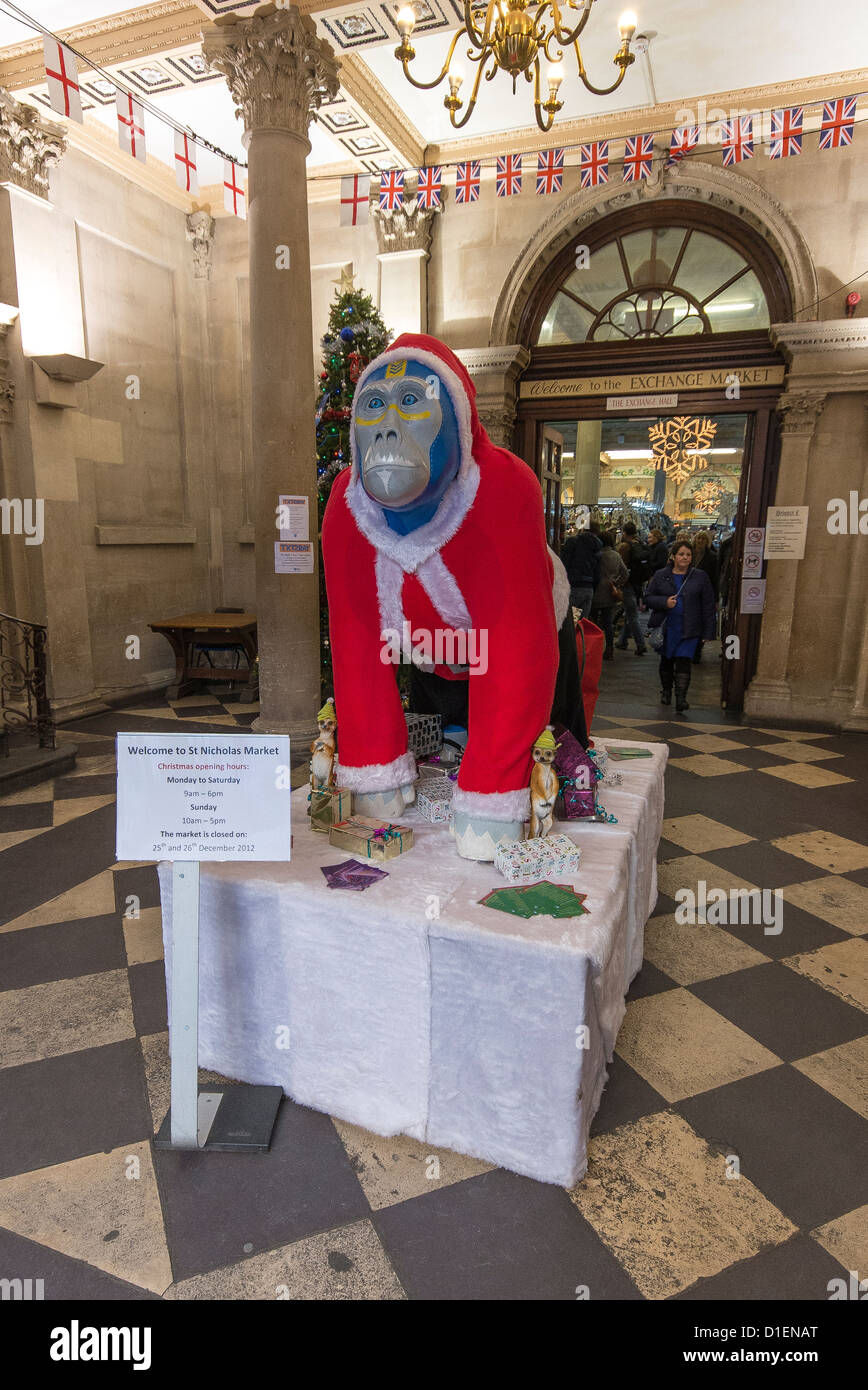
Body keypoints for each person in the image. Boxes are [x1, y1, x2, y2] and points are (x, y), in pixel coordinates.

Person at [644, 541, 716, 712]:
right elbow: (647, 597)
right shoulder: (661, 575)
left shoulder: (700, 577)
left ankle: (681, 698)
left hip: (690, 627)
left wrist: (708, 631)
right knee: (667, 660)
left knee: (684, 661)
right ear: (673, 556)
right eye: (681, 554)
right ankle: (667, 691)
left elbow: (708, 604)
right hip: (667, 627)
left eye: (688, 555)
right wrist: (664, 602)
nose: (685, 557)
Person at [591, 530, 629, 660]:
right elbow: (625, 573)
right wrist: (616, 583)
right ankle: (609, 649)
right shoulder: (616, 555)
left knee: (593, 622)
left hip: (595, 591)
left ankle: (594, 648)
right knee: (608, 623)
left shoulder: (596, 555)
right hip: (609, 592)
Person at [614, 521, 650, 655]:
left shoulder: (624, 547)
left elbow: (621, 568)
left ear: (624, 533)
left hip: (627, 584)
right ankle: (622, 641)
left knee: (632, 615)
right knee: (630, 612)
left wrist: (618, 582)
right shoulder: (641, 545)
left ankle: (641, 644)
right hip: (638, 584)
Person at [560, 518, 603, 617]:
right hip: (589, 588)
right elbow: (598, 572)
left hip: (573, 586)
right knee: (583, 623)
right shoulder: (598, 546)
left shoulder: (573, 541)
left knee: (570, 622)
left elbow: (564, 564)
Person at [691, 530, 719, 665]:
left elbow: (715, 578)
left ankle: (696, 650)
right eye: (699, 538)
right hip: (688, 593)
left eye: (703, 539)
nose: (700, 541)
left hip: (703, 594)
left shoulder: (712, 557)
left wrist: (715, 599)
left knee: (700, 623)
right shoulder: (688, 554)